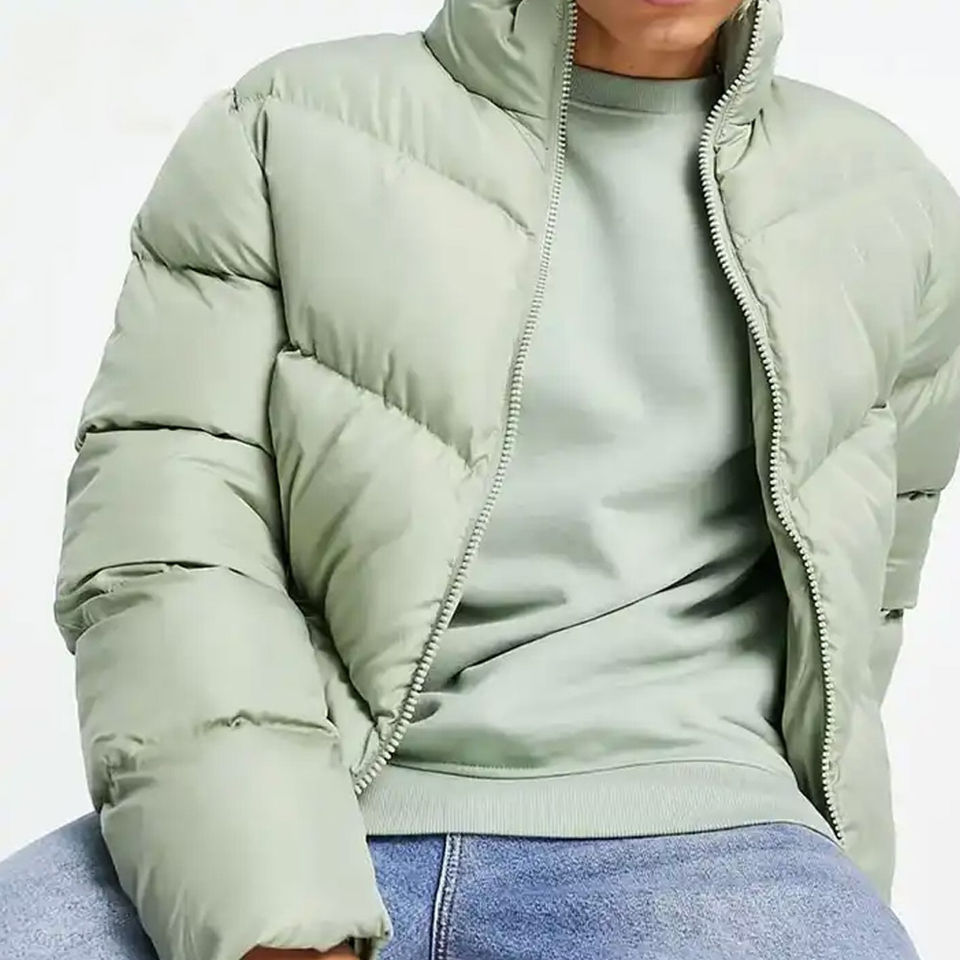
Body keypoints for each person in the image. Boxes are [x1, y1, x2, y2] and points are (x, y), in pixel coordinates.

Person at [2, 0, 959, 957]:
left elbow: (865, 596)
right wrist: (269, 907)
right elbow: (168, 542)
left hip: (711, 828)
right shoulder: (284, 125)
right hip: (303, 788)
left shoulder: (889, 203)